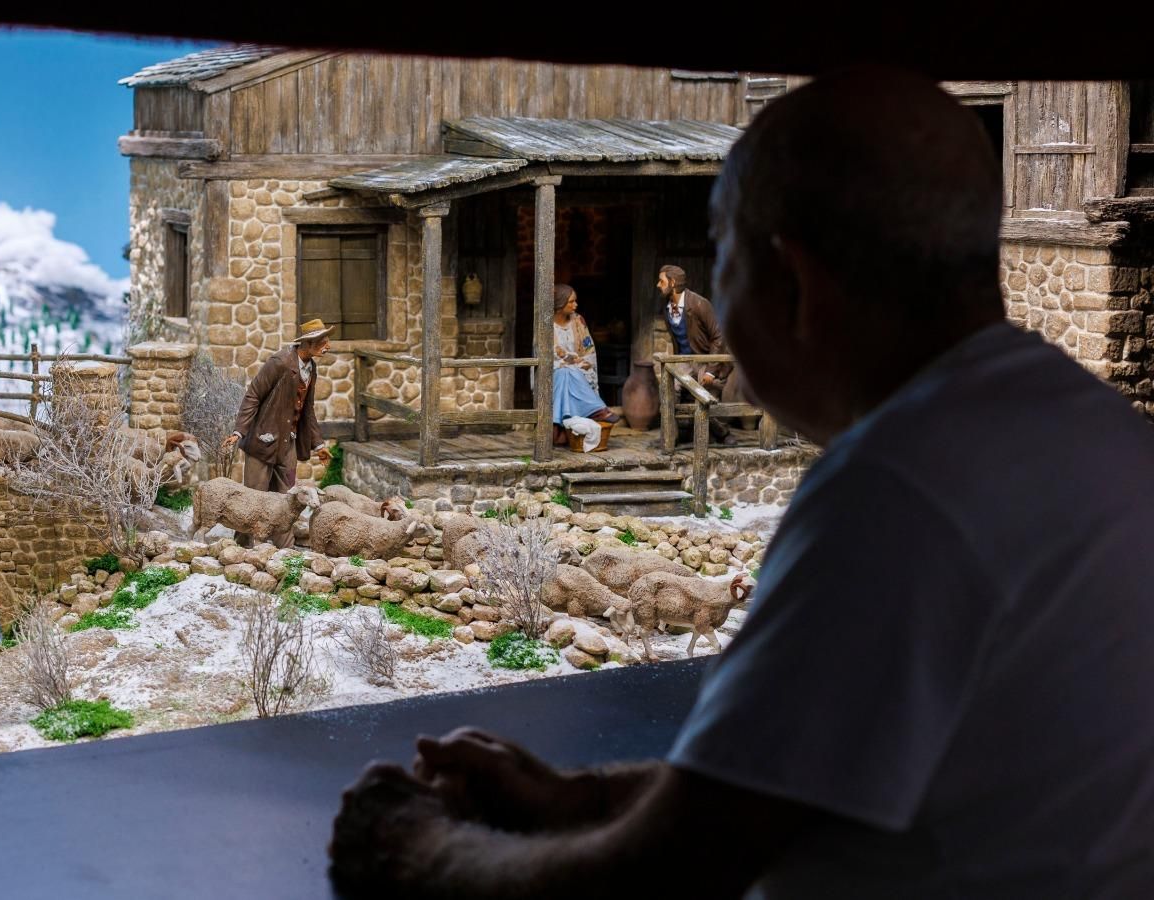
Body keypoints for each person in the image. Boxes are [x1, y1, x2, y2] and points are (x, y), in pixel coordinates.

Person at [327, 65, 1154, 899]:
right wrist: (579, 797)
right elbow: (765, 793)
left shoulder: (898, 496)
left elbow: (675, 864)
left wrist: (409, 853)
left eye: (723, 261)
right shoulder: (1093, 434)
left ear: (792, 282)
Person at [220, 317, 335, 547]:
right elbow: (253, 395)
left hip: (288, 442)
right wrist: (239, 431)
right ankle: (243, 544)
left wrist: (318, 445)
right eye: (323, 341)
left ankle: (284, 546)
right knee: (255, 495)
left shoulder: (311, 368)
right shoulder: (280, 362)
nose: (328, 345)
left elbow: (307, 410)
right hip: (263, 440)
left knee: (286, 496)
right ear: (309, 343)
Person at [660, 265, 733, 442]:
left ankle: (722, 433)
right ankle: (672, 435)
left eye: (661, 281)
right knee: (670, 388)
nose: (658, 285)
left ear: (672, 282)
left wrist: (710, 370)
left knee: (706, 395)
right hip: (686, 360)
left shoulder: (699, 304)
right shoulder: (668, 309)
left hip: (706, 359)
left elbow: (718, 336)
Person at [550, 284, 620, 446]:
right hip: (553, 370)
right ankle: (597, 409)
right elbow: (546, 353)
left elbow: (589, 350)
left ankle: (557, 429)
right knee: (564, 373)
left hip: (576, 369)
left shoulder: (578, 321)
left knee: (567, 374)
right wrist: (568, 362)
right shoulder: (546, 325)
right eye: (571, 302)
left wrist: (581, 362)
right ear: (560, 305)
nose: (575, 305)